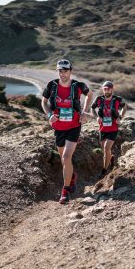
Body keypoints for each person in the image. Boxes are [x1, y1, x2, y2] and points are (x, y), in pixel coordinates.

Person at [42, 59, 93, 204]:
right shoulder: (51, 85)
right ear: (57, 71)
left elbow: (90, 95)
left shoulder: (78, 86)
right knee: (65, 160)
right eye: (60, 71)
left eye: (65, 71)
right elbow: (43, 102)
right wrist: (49, 115)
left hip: (74, 126)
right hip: (58, 128)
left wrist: (84, 112)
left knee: (65, 157)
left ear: (70, 71)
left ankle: (65, 191)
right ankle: (72, 176)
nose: (62, 73)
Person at [91, 81, 126, 178]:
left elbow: (124, 108)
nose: (106, 90)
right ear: (103, 89)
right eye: (105, 89)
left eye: (108, 89)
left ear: (112, 89)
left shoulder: (117, 99)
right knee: (105, 150)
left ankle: (104, 171)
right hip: (102, 128)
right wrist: (96, 117)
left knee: (106, 149)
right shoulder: (99, 99)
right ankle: (111, 158)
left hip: (113, 128)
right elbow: (92, 109)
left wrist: (120, 117)